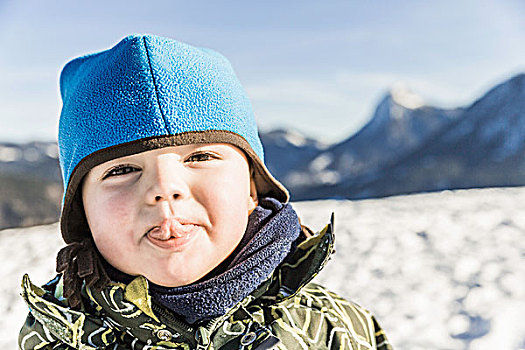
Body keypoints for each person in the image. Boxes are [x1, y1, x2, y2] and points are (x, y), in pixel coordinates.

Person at [19, 34, 392, 350]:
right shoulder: (53, 337)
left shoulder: (332, 329)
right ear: (82, 211)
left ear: (251, 188)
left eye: (200, 156)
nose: (164, 189)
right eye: (122, 169)